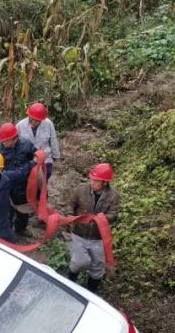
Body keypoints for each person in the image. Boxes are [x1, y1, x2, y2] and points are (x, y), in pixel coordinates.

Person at [68, 162, 120, 294]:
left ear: (104, 182)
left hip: (98, 237)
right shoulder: (81, 189)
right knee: (80, 262)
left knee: (97, 267)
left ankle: (91, 292)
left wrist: (103, 219)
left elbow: (114, 214)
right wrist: (69, 217)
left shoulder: (113, 195)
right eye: (92, 179)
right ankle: (69, 284)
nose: (92, 182)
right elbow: (71, 204)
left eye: (96, 181)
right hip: (80, 233)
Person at [0, 121, 37, 238]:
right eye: (3, 141)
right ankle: (6, 233)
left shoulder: (27, 146)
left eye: (7, 141)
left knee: (23, 212)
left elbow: (36, 160)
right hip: (4, 187)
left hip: (22, 187)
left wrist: (31, 165)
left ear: (15, 138)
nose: (4, 143)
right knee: (6, 212)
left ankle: (20, 230)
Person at [16, 102, 60, 179]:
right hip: (27, 159)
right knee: (29, 180)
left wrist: (55, 156)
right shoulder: (20, 125)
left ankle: (43, 190)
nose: (34, 122)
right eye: (32, 119)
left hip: (45, 158)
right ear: (28, 116)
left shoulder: (48, 124)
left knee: (45, 178)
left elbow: (53, 140)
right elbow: (16, 143)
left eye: (37, 121)